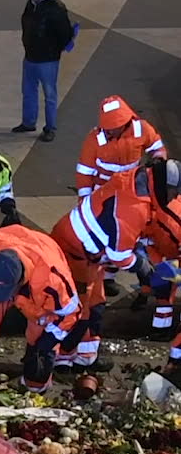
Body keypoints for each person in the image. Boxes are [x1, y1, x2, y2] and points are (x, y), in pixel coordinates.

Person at [50, 159, 181, 373]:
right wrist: (142, 267)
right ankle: (63, 359)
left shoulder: (136, 181)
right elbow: (119, 255)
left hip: (86, 253)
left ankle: (85, 357)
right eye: (173, 192)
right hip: (76, 254)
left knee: (95, 306)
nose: (174, 197)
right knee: (80, 311)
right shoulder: (134, 207)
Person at [0, 225, 81, 393]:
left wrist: (45, 345)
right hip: (5, 251)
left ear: (18, 284)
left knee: (37, 372)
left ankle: (34, 384)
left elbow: (71, 313)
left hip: (39, 302)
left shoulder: (53, 280)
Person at [75, 95, 166, 297]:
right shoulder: (95, 139)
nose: (107, 132)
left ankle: (114, 276)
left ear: (124, 124)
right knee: (106, 237)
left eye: (111, 129)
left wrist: (158, 161)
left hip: (131, 193)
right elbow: (84, 173)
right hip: (103, 196)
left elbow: (157, 147)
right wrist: (84, 200)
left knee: (126, 236)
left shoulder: (142, 129)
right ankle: (106, 279)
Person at [12, 0, 75, 143]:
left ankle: (50, 128)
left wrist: (53, 50)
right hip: (30, 57)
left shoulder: (56, 8)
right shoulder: (32, 3)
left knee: (49, 95)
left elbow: (65, 35)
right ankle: (28, 122)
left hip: (48, 61)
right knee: (28, 91)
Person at [131, 198, 181, 341]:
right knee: (162, 284)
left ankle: (166, 330)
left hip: (171, 247)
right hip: (164, 247)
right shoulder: (150, 218)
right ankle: (162, 329)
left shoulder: (170, 220)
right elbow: (147, 245)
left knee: (164, 283)